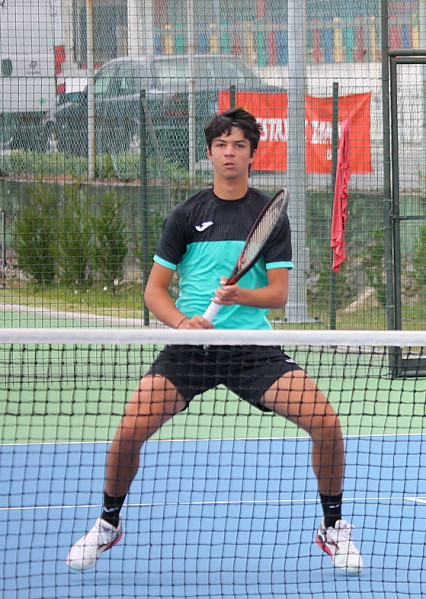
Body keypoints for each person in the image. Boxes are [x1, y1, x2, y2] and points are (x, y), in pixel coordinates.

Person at [66, 107, 363, 574]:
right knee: (127, 433)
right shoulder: (186, 215)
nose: (230, 152)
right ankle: (108, 524)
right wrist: (182, 323)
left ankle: (332, 527)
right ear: (209, 153)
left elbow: (279, 295)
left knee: (326, 425)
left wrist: (241, 293)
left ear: (251, 155)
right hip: (191, 350)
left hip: (253, 350)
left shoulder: (270, 217)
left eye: (239, 145)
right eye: (222, 144)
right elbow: (154, 292)